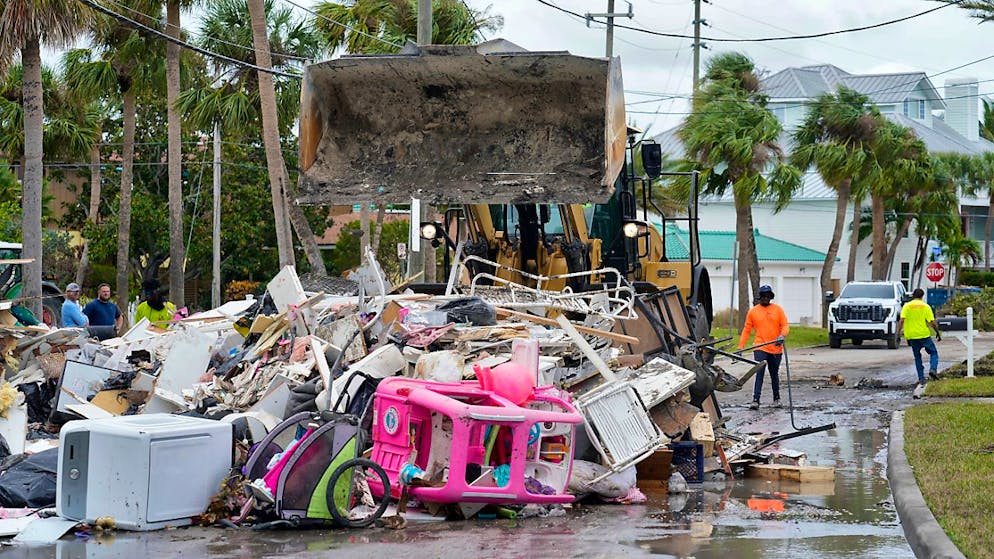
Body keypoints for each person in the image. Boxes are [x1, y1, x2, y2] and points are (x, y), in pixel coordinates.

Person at [738, 284, 790, 410]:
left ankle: (776, 399)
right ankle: (756, 400)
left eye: (768, 296)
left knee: (774, 374)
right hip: (760, 346)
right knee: (759, 372)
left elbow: (785, 325)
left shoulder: (778, 310)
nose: (765, 299)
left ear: (770, 297)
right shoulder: (753, 311)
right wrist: (740, 347)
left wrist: (782, 336)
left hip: (775, 348)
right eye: (763, 296)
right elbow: (746, 330)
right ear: (759, 297)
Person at [897, 288, 941, 387]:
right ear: (922, 296)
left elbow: (901, 321)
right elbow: (932, 322)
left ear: (913, 295)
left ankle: (921, 378)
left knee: (917, 357)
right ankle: (933, 369)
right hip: (924, 334)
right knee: (933, 353)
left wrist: (898, 334)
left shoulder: (907, 306)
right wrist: (937, 332)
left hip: (912, 336)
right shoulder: (926, 306)